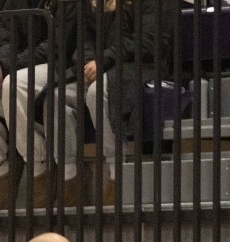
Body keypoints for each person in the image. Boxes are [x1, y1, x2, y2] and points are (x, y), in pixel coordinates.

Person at [0, 0, 81, 208]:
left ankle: (39, 167)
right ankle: (1, 169)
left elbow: (58, 44)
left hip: (60, 63)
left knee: (14, 83)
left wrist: (8, 66)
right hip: (21, 65)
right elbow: (7, 39)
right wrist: (0, 65)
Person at [61, 0, 174, 205]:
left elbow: (149, 41)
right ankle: (70, 177)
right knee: (56, 97)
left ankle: (116, 173)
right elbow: (85, 37)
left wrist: (103, 59)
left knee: (96, 92)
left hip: (141, 66)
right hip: (103, 65)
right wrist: (88, 61)